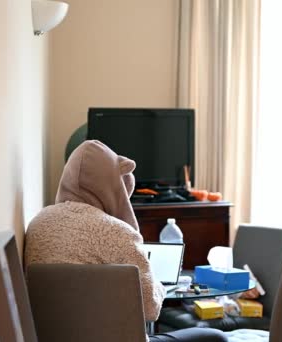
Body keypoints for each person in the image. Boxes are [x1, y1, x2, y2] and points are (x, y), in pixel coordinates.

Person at [24, 140, 228, 342]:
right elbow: (150, 309)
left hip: (49, 336)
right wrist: (159, 285)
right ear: (113, 184)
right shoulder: (116, 232)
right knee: (216, 337)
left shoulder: (38, 223)